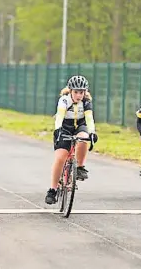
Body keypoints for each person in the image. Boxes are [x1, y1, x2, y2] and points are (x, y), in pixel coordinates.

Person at [45, 75, 98, 205]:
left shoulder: (86, 102)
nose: (79, 95)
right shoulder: (64, 100)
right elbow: (59, 116)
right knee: (60, 158)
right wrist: (58, 130)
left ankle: (80, 166)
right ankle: (53, 190)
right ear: (70, 91)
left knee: (84, 138)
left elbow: (89, 119)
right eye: (76, 92)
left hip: (80, 126)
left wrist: (92, 132)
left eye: (82, 92)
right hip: (65, 127)